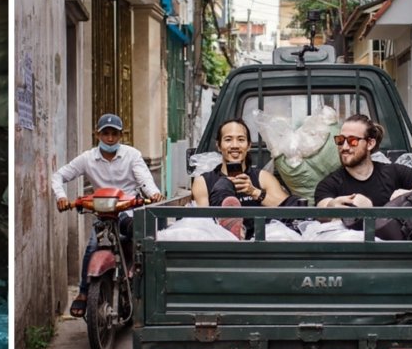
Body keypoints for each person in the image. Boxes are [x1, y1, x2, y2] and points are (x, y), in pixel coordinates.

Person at [51, 113, 163, 318]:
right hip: (103, 213)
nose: (110, 138)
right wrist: (61, 196)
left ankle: (141, 277)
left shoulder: (132, 155)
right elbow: (59, 175)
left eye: (114, 134)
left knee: (141, 239)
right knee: (92, 246)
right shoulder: (87, 158)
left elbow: (145, 179)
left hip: (128, 210)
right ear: (98, 135)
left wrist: (153, 193)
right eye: (105, 133)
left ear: (121, 135)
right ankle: (83, 291)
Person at [315, 114, 412, 208]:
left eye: (352, 141)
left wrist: (408, 196)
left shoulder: (393, 172)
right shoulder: (329, 184)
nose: (344, 147)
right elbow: (323, 209)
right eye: (340, 140)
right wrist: (333, 206)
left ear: (370, 144)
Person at [190, 118, 291, 239]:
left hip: (259, 243)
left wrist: (254, 192)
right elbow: (204, 224)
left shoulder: (263, 178)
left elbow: (287, 208)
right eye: (228, 140)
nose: (235, 145)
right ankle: (231, 227)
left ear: (249, 145)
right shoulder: (203, 182)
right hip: (222, 243)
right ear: (218, 145)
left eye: (241, 140)